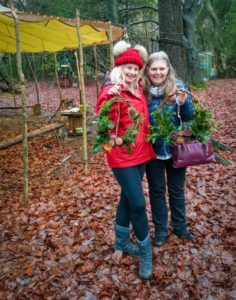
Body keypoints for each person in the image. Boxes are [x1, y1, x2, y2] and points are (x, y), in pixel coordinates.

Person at [96, 40, 155, 279]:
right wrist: (107, 98)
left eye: (135, 68)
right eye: (127, 67)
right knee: (139, 205)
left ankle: (121, 245)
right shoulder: (113, 89)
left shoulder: (139, 87)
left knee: (127, 199)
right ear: (119, 68)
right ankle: (146, 254)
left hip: (141, 152)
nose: (131, 71)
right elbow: (102, 117)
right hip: (121, 155)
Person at [143, 51, 194, 247]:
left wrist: (184, 102)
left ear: (168, 69)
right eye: (154, 69)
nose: (158, 72)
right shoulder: (143, 92)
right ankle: (161, 230)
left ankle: (180, 227)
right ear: (147, 70)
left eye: (161, 68)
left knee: (176, 190)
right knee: (156, 192)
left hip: (175, 147)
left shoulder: (179, 87)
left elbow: (190, 118)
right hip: (152, 150)